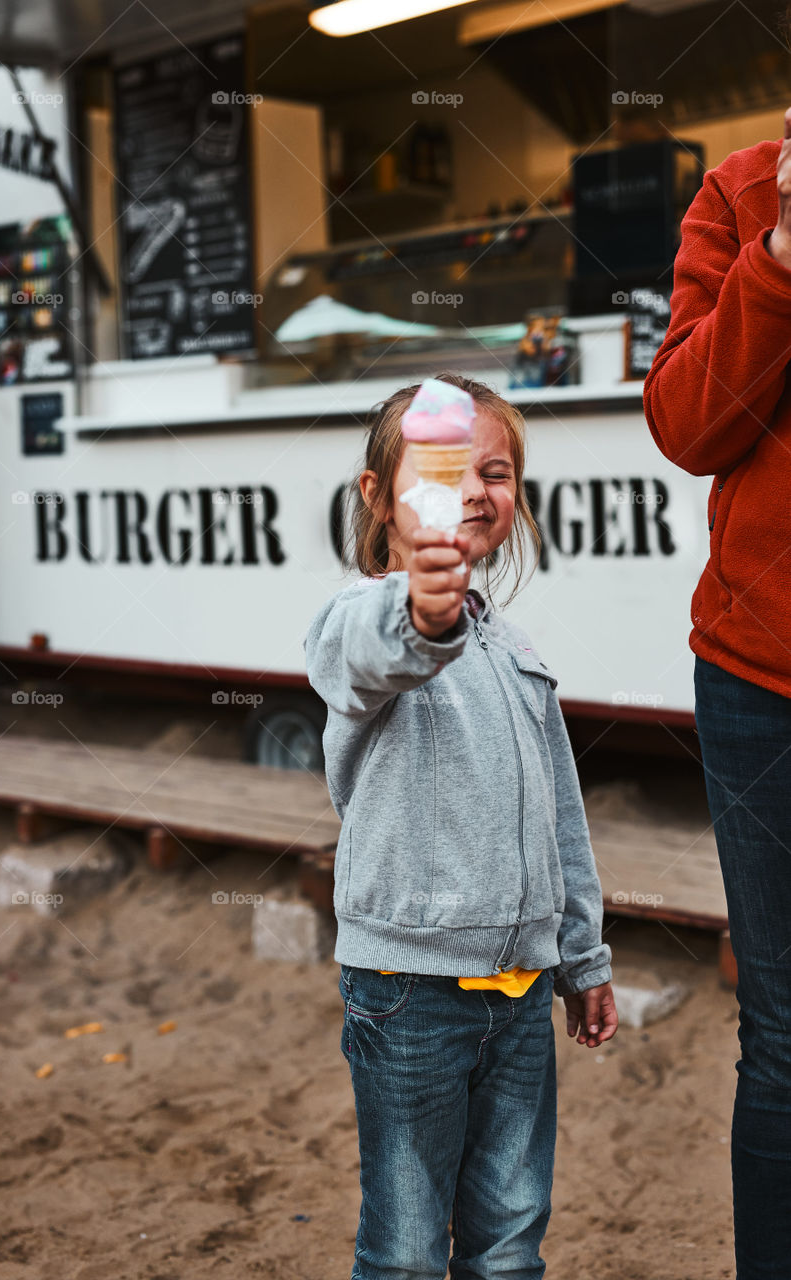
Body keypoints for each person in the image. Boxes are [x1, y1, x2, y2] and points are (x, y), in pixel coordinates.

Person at [305, 373, 617, 1280]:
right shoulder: (357, 620)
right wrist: (421, 610)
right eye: (444, 470)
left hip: (521, 991)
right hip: (408, 991)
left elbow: (560, 813)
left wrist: (582, 956)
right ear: (377, 496)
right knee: (404, 1248)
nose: (476, 489)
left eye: (497, 471)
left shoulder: (514, 647)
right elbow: (374, 650)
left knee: (511, 1236)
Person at [644, 114, 791, 1278]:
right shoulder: (735, 195)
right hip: (760, 677)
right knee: (786, 1036)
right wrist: (778, 258)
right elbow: (689, 424)